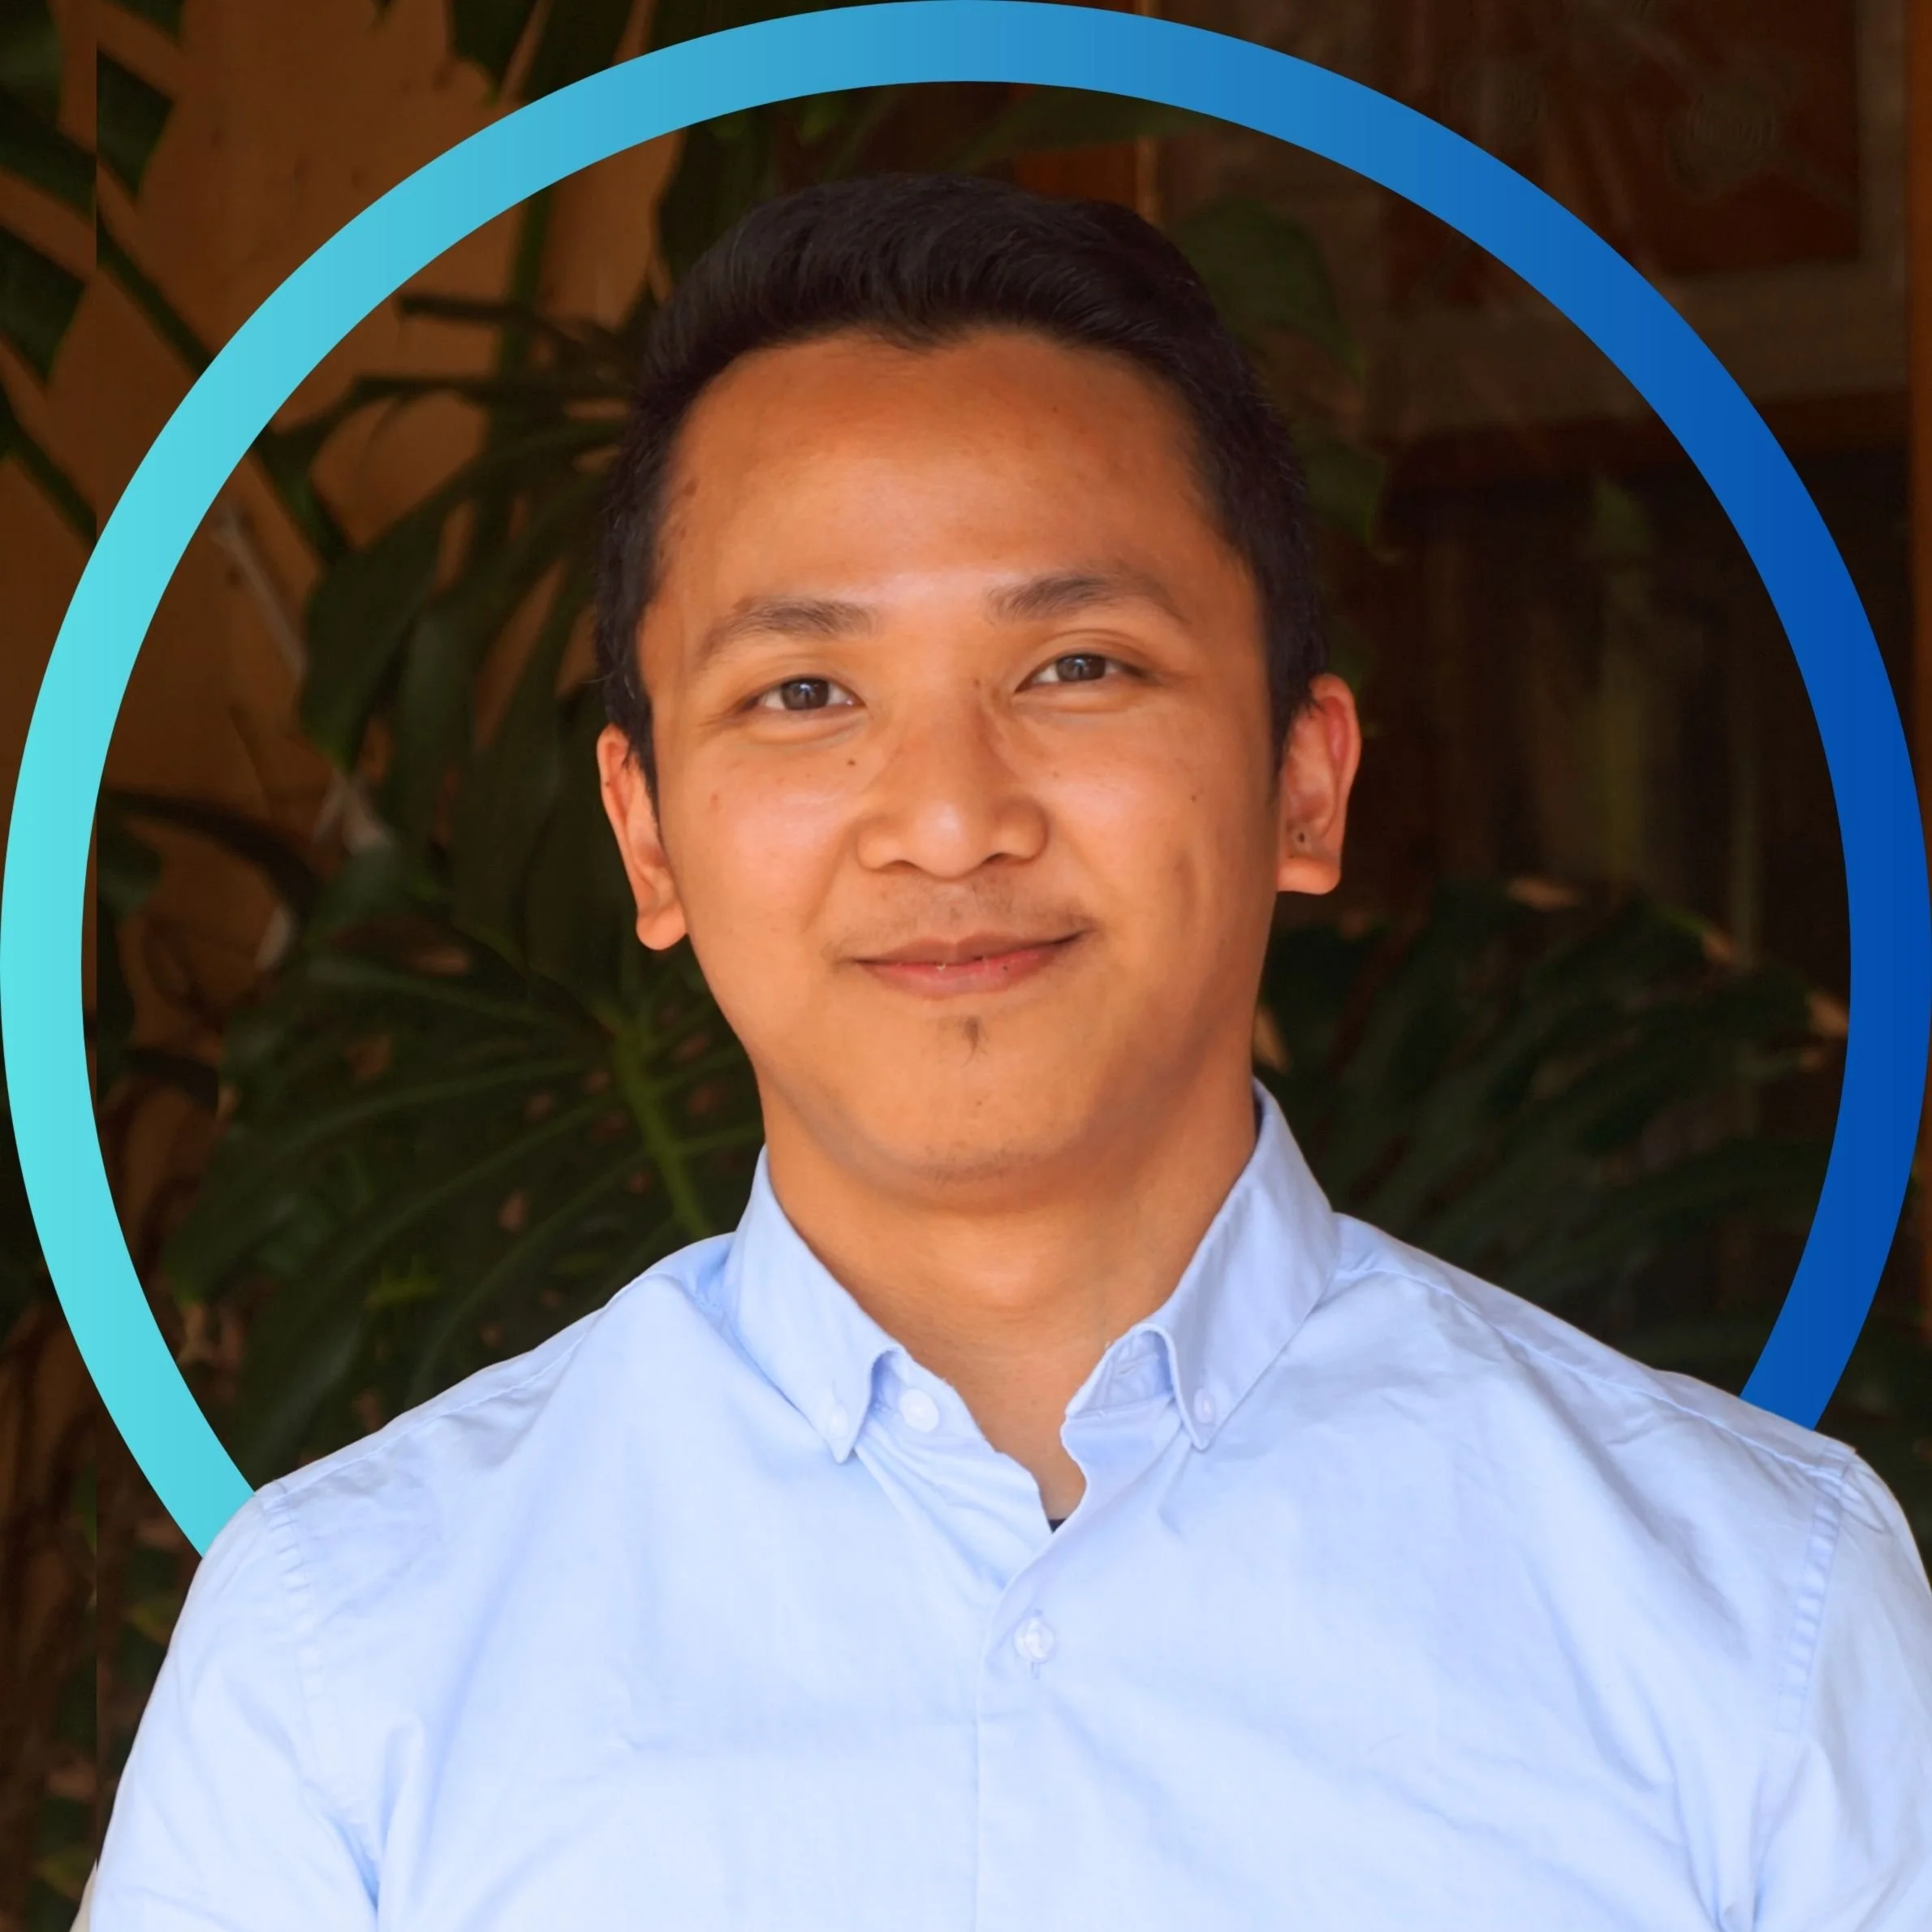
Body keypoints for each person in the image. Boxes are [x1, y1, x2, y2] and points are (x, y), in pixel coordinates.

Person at [95, 173, 1932, 1930]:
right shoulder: (346, 1646)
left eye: (1077, 668)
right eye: (803, 692)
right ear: (645, 832)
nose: (950, 819)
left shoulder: (1751, 1611)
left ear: (1304, 776)